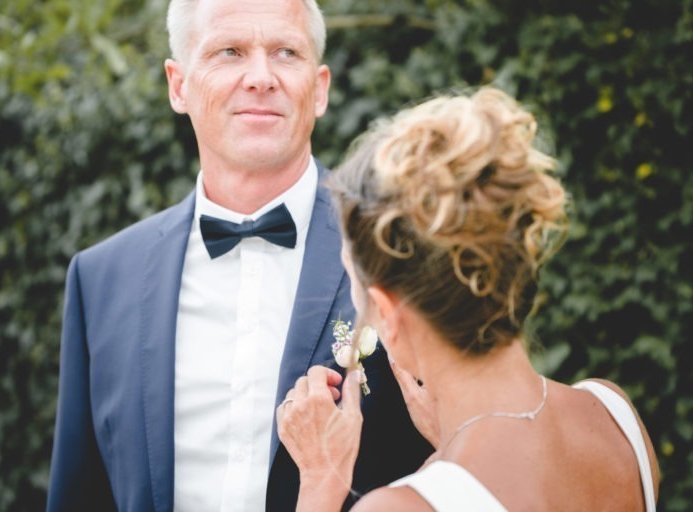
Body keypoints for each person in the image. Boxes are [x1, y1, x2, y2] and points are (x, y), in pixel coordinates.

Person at [46, 0, 431, 510]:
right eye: (229, 51)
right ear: (178, 85)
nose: (260, 77)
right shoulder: (100, 280)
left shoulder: (401, 252)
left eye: (285, 52)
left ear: (319, 89)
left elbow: (465, 460)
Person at [276, 86, 661, 511]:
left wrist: (320, 482)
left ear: (387, 312)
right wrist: (451, 441)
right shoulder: (614, 416)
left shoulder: (399, 508)